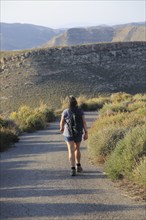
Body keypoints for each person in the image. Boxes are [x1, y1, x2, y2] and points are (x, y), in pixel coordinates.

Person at [60, 95, 88, 176]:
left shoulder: (65, 111)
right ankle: (78, 166)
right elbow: (84, 122)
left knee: (71, 150)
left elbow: (61, 123)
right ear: (76, 102)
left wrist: (62, 129)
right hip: (78, 132)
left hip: (68, 133)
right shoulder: (80, 111)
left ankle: (72, 169)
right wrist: (86, 132)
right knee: (77, 149)